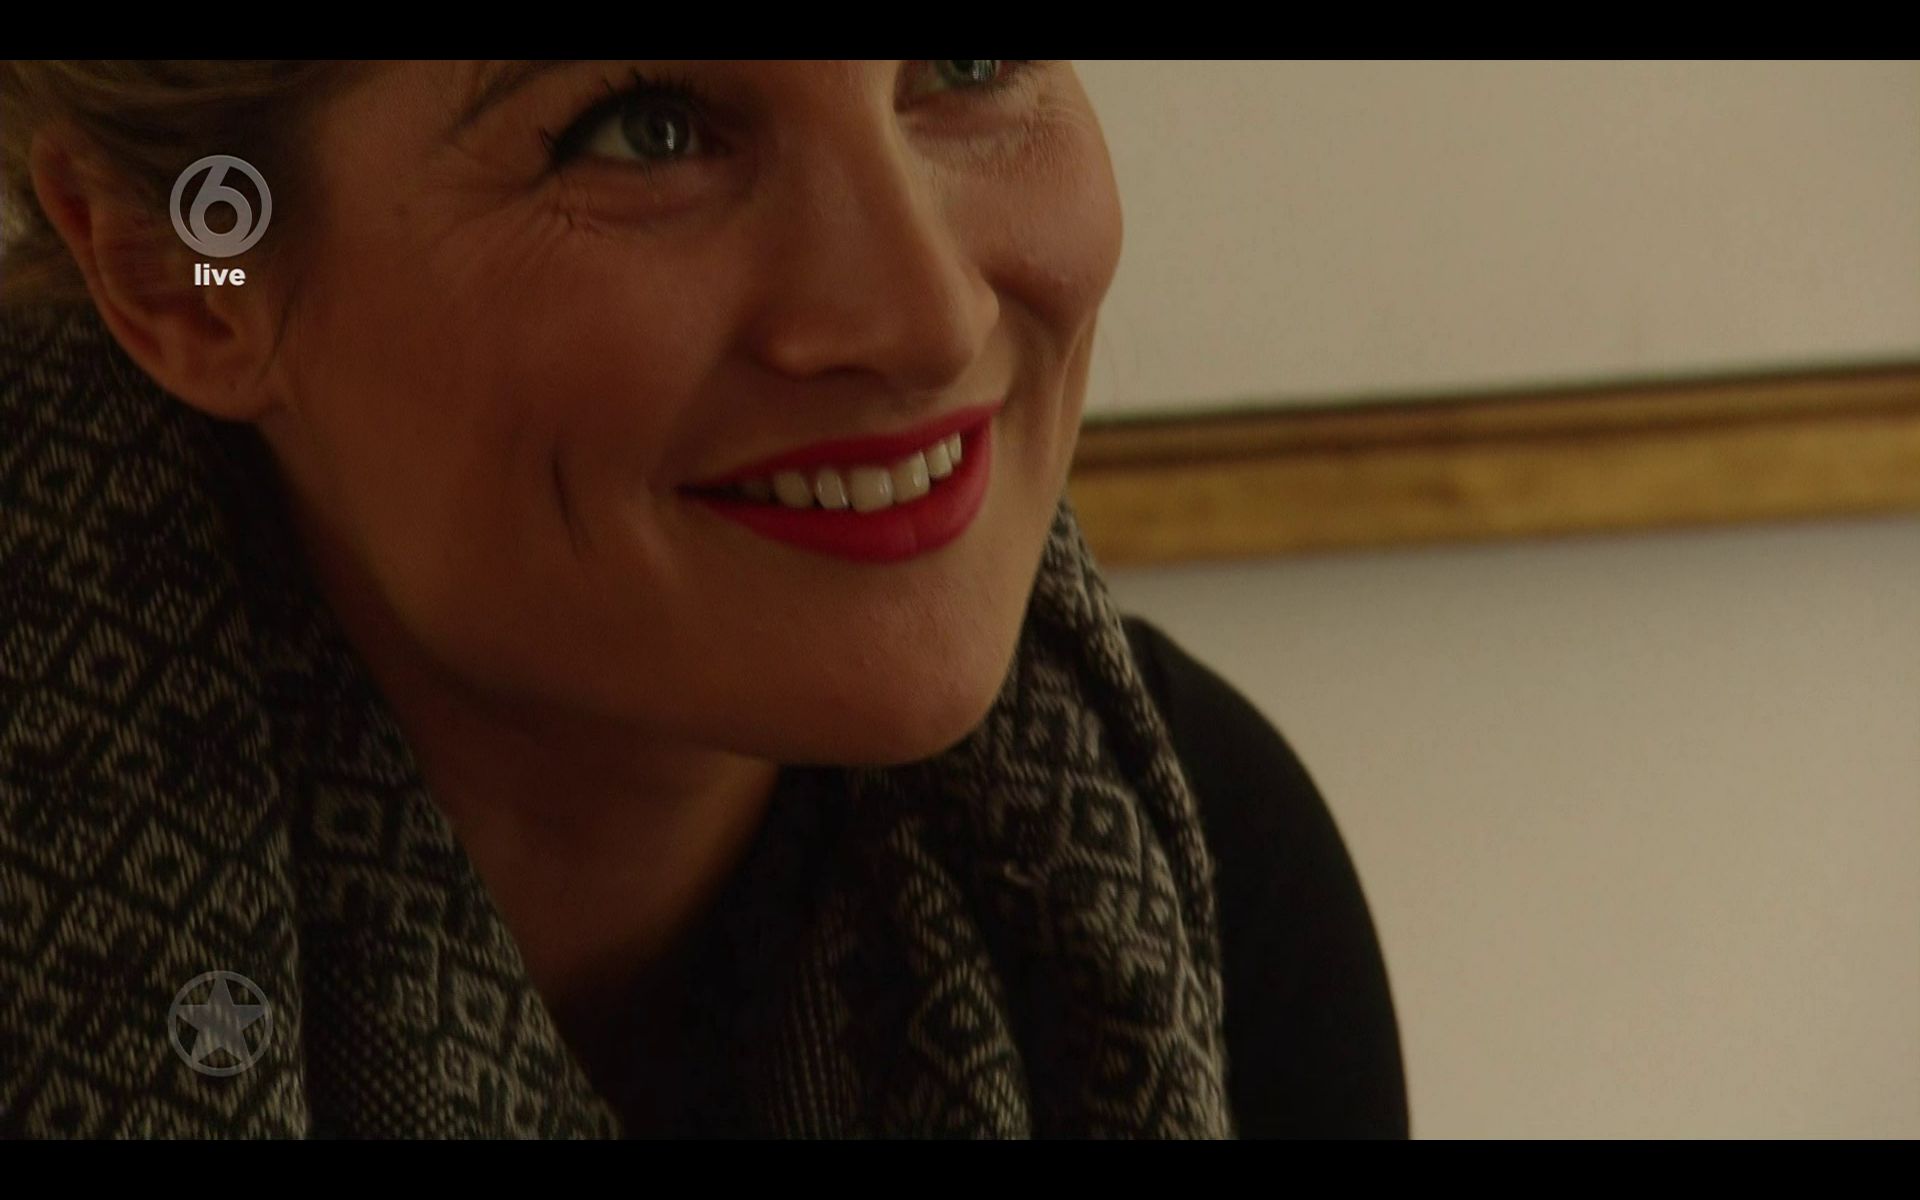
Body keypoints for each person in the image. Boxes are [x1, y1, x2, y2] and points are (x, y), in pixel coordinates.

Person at [0, 60, 1407, 1138]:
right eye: (648, 129)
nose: (930, 316)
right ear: (186, 275)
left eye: (969, 63)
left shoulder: (1201, 862)